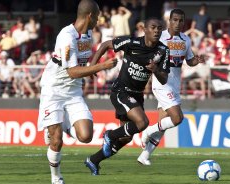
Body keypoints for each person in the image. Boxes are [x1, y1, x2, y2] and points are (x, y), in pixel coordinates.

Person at [37, 1, 117, 184]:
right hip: (54, 89)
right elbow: (71, 71)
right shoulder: (66, 36)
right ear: (90, 16)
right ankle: (56, 178)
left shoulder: (88, 34)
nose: (98, 20)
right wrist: (101, 66)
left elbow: (80, 66)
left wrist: (92, 69)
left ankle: (60, 125)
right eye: (97, 16)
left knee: (86, 136)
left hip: (73, 91)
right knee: (56, 141)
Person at [84, 18, 170, 175]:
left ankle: (94, 160)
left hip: (137, 96)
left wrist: (156, 70)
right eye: (153, 27)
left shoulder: (163, 50)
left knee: (126, 138)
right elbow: (105, 45)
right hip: (121, 91)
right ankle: (109, 134)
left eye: (159, 28)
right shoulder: (131, 42)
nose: (157, 30)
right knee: (142, 122)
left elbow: (164, 79)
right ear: (145, 29)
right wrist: (93, 67)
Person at [137, 8, 205, 166]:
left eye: (181, 20)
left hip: (174, 86)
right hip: (161, 84)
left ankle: (144, 156)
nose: (178, 23)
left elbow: (189, 61)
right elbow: (146, 50)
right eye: (175, 20)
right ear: (169, 20)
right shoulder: (160, 36)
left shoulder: (186, 40)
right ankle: (147, 131)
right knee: (177, 118)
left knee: (163, 125)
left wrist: (197, 60)